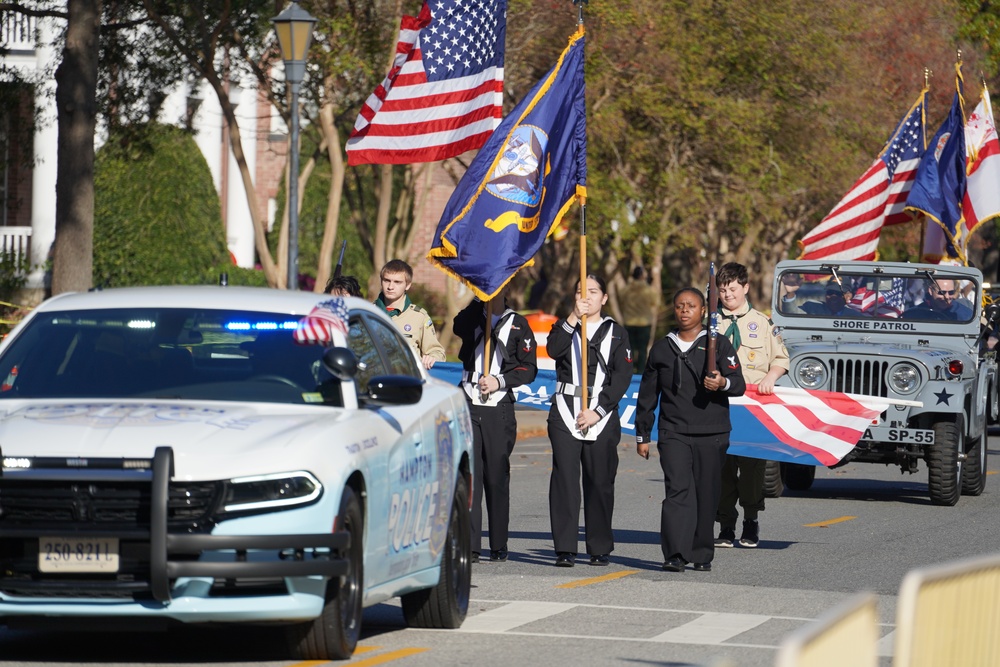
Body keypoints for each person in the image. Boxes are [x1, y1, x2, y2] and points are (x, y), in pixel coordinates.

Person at [634, 287, 746, 573]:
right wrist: (643, 435)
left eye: (691, 305)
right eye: (679, 305)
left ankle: (701, 553)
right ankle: (674, 554)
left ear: (702, 311)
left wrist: (722, 383)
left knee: (706, 494)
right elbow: (648, 394)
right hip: (674, 433)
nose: (684, 310)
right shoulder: (661, 347)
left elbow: (739, 383)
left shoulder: (718, 344)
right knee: (677, 492)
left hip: (713, 433)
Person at [547, 274, 632, 567]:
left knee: (599, 482)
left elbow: (622, 378)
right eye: (582, 291)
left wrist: (598, 410)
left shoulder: (617, 333)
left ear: (604, 298)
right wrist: (572, 317)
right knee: (565, 481)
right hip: (565, 410)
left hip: (602, 413)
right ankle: (565, 548)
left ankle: (599, 547)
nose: (588, 296)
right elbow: (553, 350)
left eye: (594, 291)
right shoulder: (566, 326)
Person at [453, 289, 538, 564]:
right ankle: (471, 544)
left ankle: (499, 543)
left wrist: (500, 381)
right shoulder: (474, 315)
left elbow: (529, 368)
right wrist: (478, 299)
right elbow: (458, 327)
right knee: (470, 476)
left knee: (496, 476)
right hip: (469, 400)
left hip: (498, 406)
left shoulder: (517, 323)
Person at [713, 262, 789, 549]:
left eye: (733, 289)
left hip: (753, 408)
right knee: (722, 467)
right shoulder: (710, 323)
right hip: (719, 405)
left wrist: (771, 376)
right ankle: (725, 523)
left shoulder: (763, 322)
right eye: (722, 290)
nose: (728, 295)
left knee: (752, 469)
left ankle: (751, 520)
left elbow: (781, 358)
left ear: (745, 287)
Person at [373, 259, 446, 369]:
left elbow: (437, 352)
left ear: (407, 285)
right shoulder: (368, 311)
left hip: (408, 380)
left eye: (397, 282)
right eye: (386, 280)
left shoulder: (418, 317)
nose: (390, 287)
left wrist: (432, 357)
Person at [621, 266, 657, 373]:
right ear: (642, 276)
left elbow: (621, 299)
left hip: (629, 322)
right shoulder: (649, 290)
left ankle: (628, 370)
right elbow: (655, 302)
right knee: (642, 350)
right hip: (644, 323)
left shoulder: (626, 289)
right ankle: (641, 372)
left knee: (629, 349)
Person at [779, 275, 854, 316]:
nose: (833, 297)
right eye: (830, 292)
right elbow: (792, 316)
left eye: (838, 293)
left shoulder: (854, 316)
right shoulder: (812, 308)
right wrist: (790, 293)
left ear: (848, 296)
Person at [902, 278, 974, 321]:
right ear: (930, 291)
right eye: (942, 292)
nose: (946, 297)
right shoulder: (914, 313)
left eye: (951, 292)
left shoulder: (966, 316)